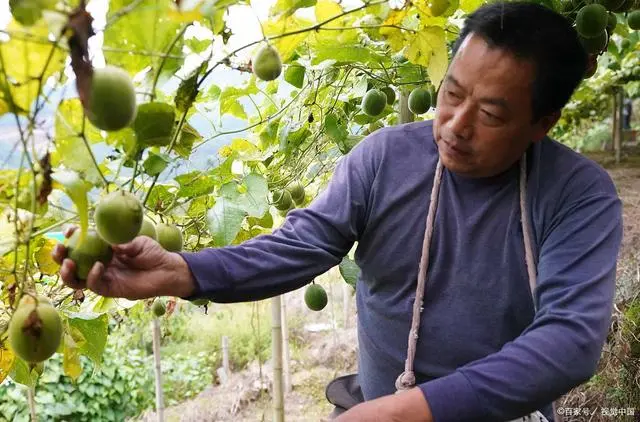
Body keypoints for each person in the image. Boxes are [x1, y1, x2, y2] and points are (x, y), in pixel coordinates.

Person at [53, 2, 623, 421]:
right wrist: (181, 271)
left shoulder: (578, 195)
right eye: (451, 93)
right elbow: (305, 243)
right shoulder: (384, 159)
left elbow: (570, 340)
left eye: (491, 114)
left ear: (541, 124)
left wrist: (409, 412)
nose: (454, 125)